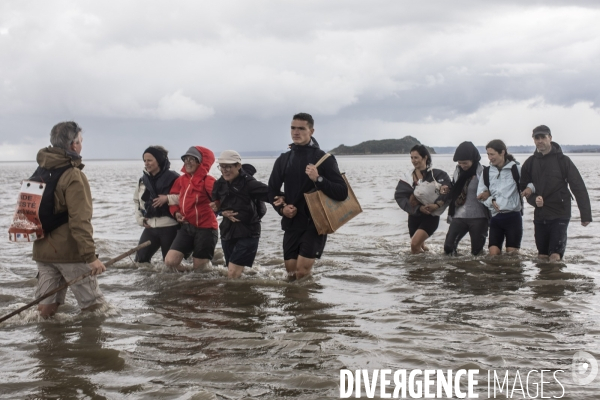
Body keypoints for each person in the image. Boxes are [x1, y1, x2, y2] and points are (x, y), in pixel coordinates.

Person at [32, 121, 106, 318]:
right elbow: (80, 221)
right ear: (73, 145)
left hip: (42, 250)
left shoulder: (41, 170)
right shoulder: (73, 175)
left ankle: (47, 347)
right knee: (96, 309)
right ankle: (91, 347)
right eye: (80, 141)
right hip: (69, 253)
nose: (81, 145)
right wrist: (91, 257)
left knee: (45, 310)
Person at [268, 113, 348, 281]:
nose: (296, 132)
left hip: (315, 222)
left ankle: (309, 305)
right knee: (291, 274)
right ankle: (299, 306)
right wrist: (282, 209)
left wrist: (318, 179)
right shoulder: (283, 159)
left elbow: (342, 192)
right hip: (292, 221)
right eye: (293, 128)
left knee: (302, 272)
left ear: (311, 131)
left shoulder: (324, 158)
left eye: (301, 128)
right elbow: (272, 190)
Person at [520, 125, 592, 261]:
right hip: (540, 214)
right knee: (541, 256)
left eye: (543, 137)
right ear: (533, 140)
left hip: (560, 212)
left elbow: (578, 187)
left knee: (554, 256)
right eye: (537, 138)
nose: (540, 141)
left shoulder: (563, 160)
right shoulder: (530, 163)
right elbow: (523, 188)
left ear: (550, 138)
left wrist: (585, 215)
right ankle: (544, 282)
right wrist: (534, 200)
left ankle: (557, 281)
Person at [210, 151, 269, 278]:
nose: (224, 170)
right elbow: (215, 206)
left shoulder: (249, 183)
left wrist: (285, 204)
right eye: (221, 166)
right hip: (227, 231)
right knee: (233, 271)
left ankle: (234, 296)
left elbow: (271, 194)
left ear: (238, 166)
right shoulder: (219, 184)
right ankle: (241, 294)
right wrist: (220, 211)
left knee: (232, 273)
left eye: (228, 166)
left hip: (248, 232)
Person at [165, 146, 218, 272]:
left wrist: (220, 206)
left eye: (192, 159)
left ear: (201, 162)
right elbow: (173, 200)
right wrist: (176, 212)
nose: (188, 162)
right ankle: (188, 280)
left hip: (206, 229)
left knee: (200, 269)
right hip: (187, 227)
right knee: (170, 262)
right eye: (185, 159)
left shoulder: (208, 180)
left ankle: (201, 283)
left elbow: (221, 199)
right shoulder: (181, 180)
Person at [395, 145, 450, 254]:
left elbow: (449, 189)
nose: (413, 161)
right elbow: (399, 196)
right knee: (420, 247)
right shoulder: (407, 177)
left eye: (416, 157)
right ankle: (423, 267)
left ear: (425, 158)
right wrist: (419, 208)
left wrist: (437, 204)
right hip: (414, 216)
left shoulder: (437, 174)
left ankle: (418, 270)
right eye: (411, 157)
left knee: (414, 245)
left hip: (431, 216)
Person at [133, 146, 180, 263]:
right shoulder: (143, 180)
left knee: (170, 267)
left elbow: (186, 198)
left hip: (170, 227)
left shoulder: (174, 177)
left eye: (149, 160)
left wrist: (167, 198)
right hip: (150, 227)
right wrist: (140, 219)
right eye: (144, 160)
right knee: (139, 262)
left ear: (159, 160)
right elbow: (137, 201)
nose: (146, 163)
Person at [476, 140, 522, 255]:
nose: (490, 157)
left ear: (502, 152)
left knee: (512, 257)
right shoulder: (486, 172)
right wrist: (491, 201)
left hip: (513, 217)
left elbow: (528, 185)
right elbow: (480, 194)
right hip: (496, 218)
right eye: (488, 154)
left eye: (492, 154)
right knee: (493, 255)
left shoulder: (516, 169)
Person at [443, 141, 489, 256]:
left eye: (465, 163)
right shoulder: (458, 171)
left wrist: (487, 193)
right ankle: (455, 270)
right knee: (448, 247)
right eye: (460, 163)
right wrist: (447, 188)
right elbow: (454, 188)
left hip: (479, 217)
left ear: (473, 160)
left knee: (476, 253)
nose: (462, 165)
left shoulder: (484, 172)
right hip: (459, 216)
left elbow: (493, 190)